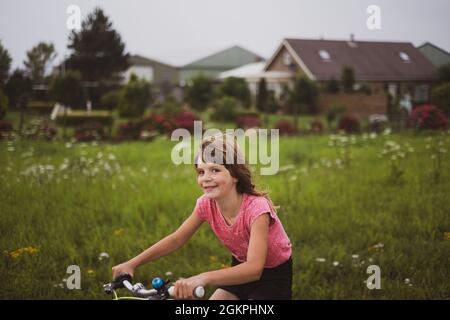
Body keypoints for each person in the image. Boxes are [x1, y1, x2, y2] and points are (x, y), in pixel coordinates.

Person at [112, 133, 293, 300]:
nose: (205, 178)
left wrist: (203, 278)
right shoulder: (206, 204)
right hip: (239, 267)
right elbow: (177, 239)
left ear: (235, 174)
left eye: (215, 170)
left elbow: (254, 269)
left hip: (272, 276)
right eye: (201, 172)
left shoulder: (257, 209)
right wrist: (132, 263)